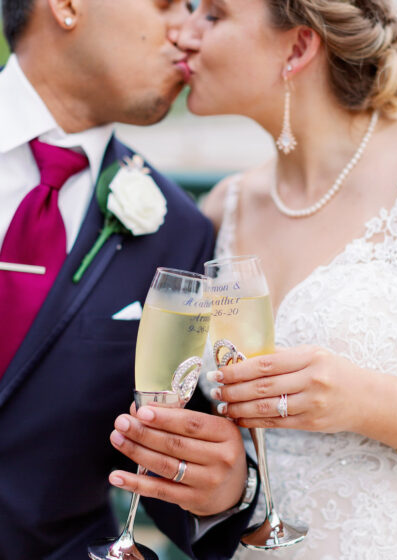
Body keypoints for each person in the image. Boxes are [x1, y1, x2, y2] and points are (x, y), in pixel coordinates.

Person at [177, 0, 397, 558]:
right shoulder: (224, 208)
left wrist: (366, 401)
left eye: (213, 16)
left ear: (297, 47)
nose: (184, 33)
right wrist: (222, 484)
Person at [0, 1, 259, 559]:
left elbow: (164, 459)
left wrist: (220, 491)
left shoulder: (180, 230)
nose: (188, 32)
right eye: (167, 2)